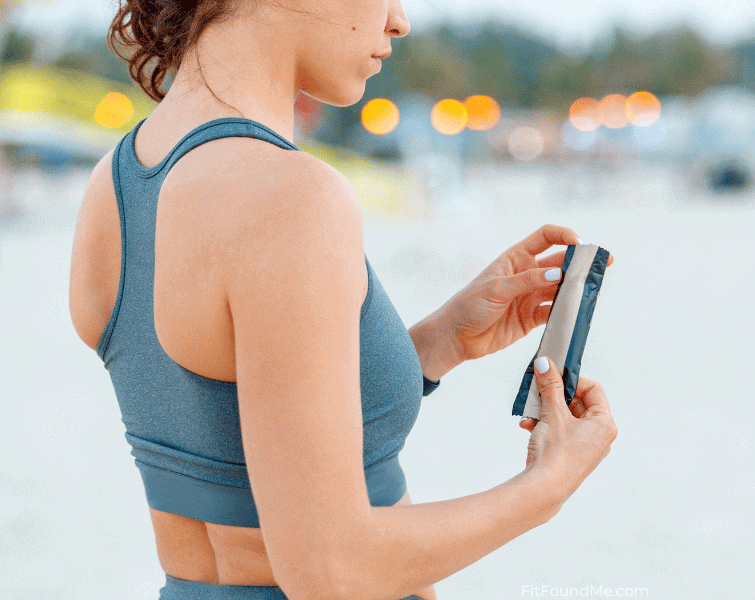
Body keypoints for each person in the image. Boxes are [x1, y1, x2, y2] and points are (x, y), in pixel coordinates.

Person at [66, 1, 618, 598]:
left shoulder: (117, 183)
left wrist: (438, 342)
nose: (399, 20)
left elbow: (227, 421)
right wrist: (548, 484)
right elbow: (332, 568)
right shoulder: (289, 196)